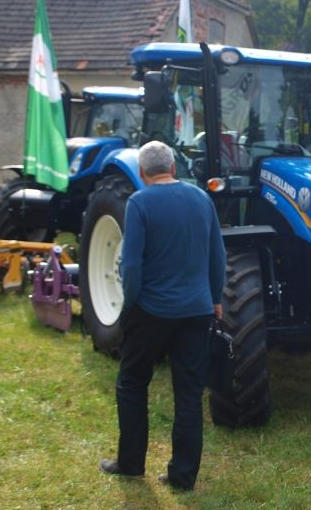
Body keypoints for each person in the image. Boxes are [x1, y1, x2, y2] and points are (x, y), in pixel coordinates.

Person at [99, 140, 226, 490]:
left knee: (131, 383)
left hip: (151, 310)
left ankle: (130, 464)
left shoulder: (140, 202)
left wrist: (130, 304)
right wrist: (215, 298)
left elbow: (132, 264)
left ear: (142, 172)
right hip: (197, 311)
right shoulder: (202, 199)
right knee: (189, 394)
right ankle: (182, 476)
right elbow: (217, 255)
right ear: (173, 168)